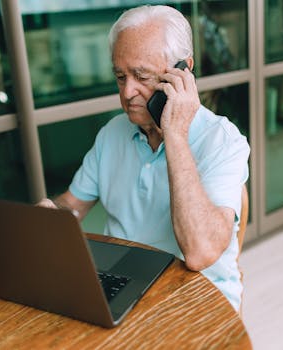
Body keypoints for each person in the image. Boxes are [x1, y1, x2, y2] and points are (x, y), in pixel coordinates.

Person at [38, 5, 250, 311]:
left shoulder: (223, 141)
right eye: (120, 76)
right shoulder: (113, 133)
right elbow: (71, 205)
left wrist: (175, 134)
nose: (127, 92)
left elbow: (200, 252)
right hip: (123, 284)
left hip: (196, 301)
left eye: (141, 75)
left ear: (183, 71)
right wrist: (51, 214)